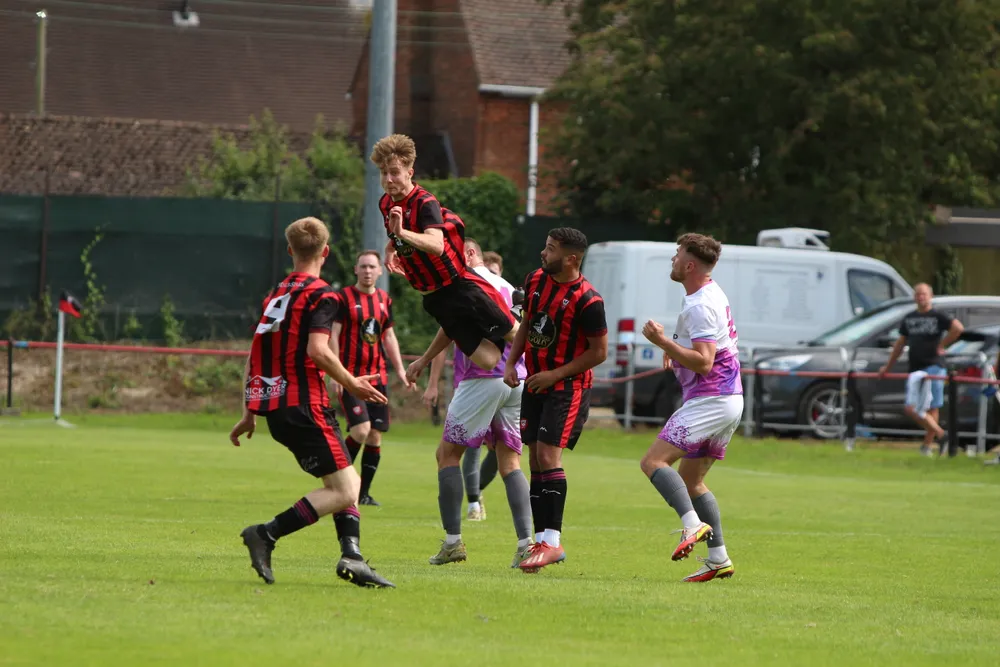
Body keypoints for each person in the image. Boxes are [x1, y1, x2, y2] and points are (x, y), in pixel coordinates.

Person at [229, 217, 394, 589]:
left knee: (344, 478)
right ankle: (265, 534)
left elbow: (255, 352)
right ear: (327, 251)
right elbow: (317, 350)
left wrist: (248, 411)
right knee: (346, 490)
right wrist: (351, 383)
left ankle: (351, 556)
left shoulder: (275, 295)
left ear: (290, 250)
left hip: (277, 407)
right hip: (305, 405)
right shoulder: (324, 295)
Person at [419, 239, 534, 568]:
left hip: (482, 379)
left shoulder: (466, 285)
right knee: (510, 464)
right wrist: (424, 360)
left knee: (446, 455)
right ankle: (527, 544)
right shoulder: (507, 286)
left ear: (468, 255)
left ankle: (453, 542)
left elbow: (452, 327)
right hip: (517, 379)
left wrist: (424, 362)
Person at [639, 233, 742, 583]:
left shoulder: (700, 304)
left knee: (653, 462)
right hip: (729, 399)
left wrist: (662, 341)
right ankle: (719, 558)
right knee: (692, 480)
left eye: (676, 254)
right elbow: (704, 347)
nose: (672, 259)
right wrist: (676, 347)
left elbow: (704, 362)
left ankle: (691, 525)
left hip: (711, 399)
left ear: (689, 264)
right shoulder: (709, 292)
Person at [503, 228, 608, 573]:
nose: (542, 254)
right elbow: (527, 323)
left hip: (568, 387)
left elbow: (599, 353)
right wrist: (511, 363)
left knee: (548, 456)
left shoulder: (589, 301)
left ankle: (553, 541)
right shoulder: (535, 279)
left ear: (571, 259)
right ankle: (541, 540)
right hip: (535, 382)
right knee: (534, 458)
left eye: (550, 250)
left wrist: (555, 374)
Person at [370, 134, 518, 374]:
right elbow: (396, 231)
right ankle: (501, 329)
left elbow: (436, 244)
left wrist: (402, 233)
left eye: (395, 172)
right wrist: (391, 247)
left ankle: (552, 369)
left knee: (513, 332)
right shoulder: (385, 202)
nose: (388, 179)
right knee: (488, 359)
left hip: (459, 286)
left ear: (410, 172)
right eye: (383, 173)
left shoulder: (425, 202)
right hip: (434, 300)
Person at [331, 250, 413, 506]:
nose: (367, 271)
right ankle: (340, 482)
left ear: (380, 271)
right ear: (355, 269)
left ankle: (362, 494)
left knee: (375, 435)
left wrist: (400, 370)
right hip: (351, 377)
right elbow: (333, 335)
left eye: (372, 267)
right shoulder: (343, 298)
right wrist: (335, 372)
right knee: (361, 430)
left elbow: (388, 337)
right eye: (363, 266)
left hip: (378, 378)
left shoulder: (384, 300)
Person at [879, 283, 964, 456]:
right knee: (912, 408)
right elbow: (900, 343)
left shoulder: (938, 316)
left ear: (931, 296)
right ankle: (942, 435)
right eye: (918, 294)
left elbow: (957, 328)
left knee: (932, 407)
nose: (921, 297)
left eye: (924, 294)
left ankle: (927, 446)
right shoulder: (909, 318)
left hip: (934, 365)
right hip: (916, 367)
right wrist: (888, 366)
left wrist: (943, 344)